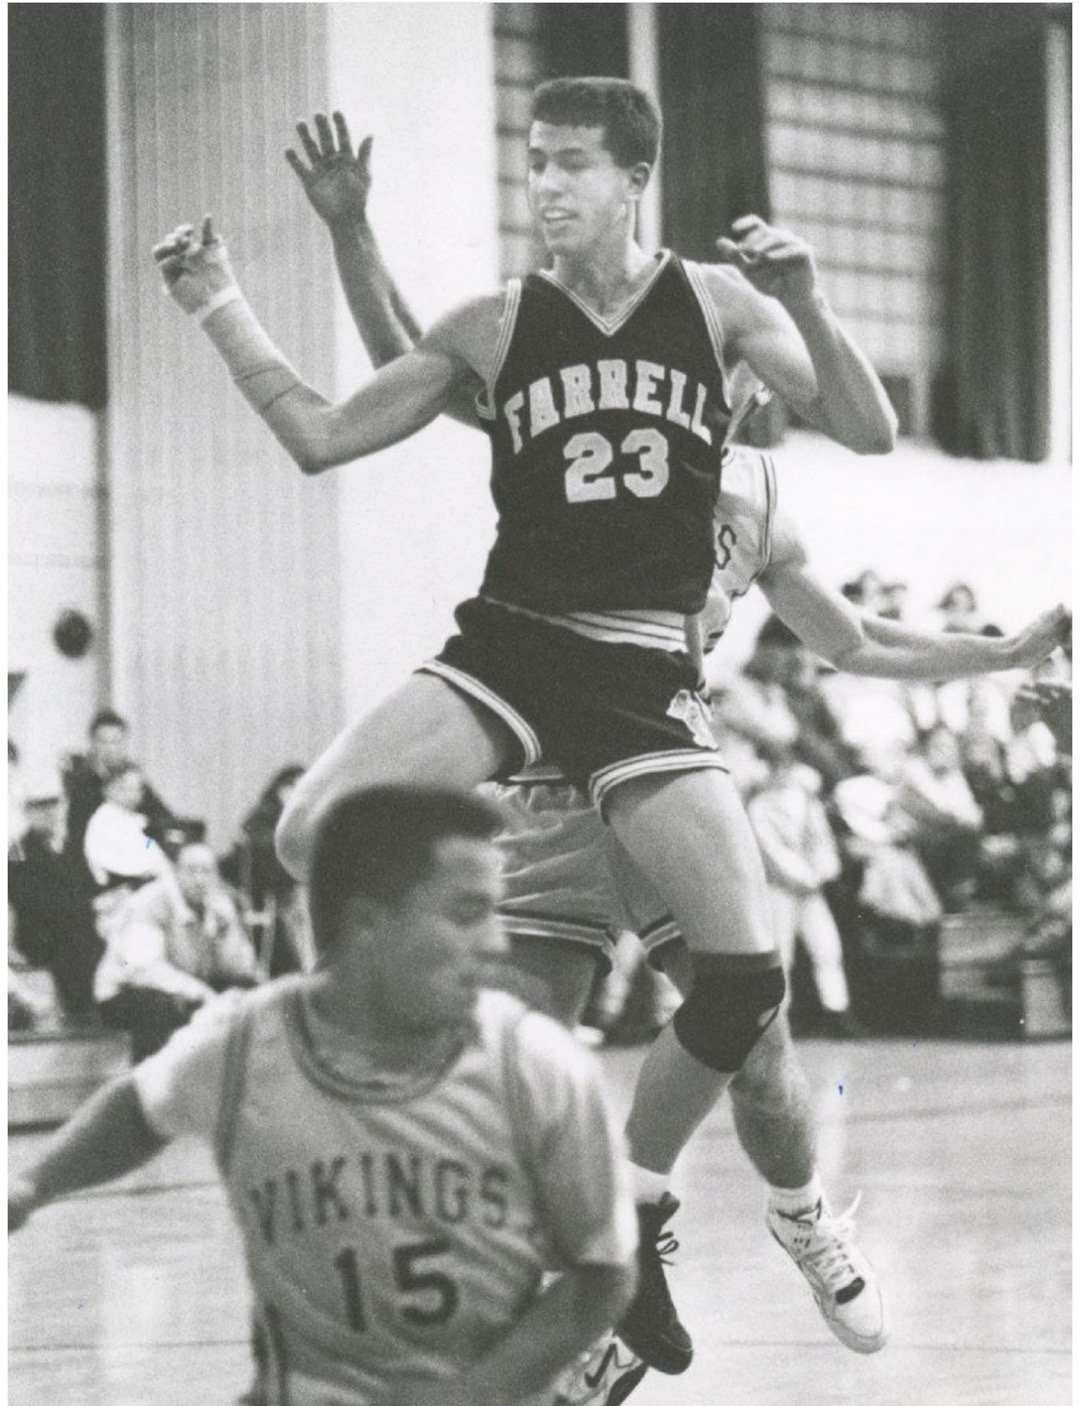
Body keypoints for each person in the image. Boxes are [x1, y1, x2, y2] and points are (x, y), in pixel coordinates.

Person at [266, 105, 1069, 1389]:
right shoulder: (550, 377)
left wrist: (994, 653)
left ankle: (796, 1213)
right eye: (536, 165)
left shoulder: (753, 488)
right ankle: (578, 1298)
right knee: (520, 1077)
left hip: (649, 743)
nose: (728, 389)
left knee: (760, 1045)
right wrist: (350, 238)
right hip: (543, 771)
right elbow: (414, 370)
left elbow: (853, 635)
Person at [156, 80, 899, 1376]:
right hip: (513, 645)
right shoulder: (496, 322)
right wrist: (221, 301)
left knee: (746, 984)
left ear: (634, 178)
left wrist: (813, 299)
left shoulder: (719, 305)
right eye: (535, 161)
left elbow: (871, 427)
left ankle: (640, 1204)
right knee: (306, 834)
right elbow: (324, 435)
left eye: (571, 164)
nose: (544, 184)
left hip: (638, 670)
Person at [10, 785, 639, 1406]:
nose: (497, 942)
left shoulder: (538, 1065)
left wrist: (473, 1394)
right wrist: (29, 1186)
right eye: (467, 914)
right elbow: (140, 1108)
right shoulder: (244, 1044)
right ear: (367, 923)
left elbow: (605, 1275)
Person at [95, 840, 260, 1060]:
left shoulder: (218, 904)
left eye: (207, 871)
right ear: (176, 873)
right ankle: (152, 1078)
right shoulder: (151, 902)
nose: (199, 880)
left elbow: (240, 969)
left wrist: (225, 933)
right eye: (191, 871)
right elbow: (143, 970)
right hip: (123, 993)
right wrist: (200, 993)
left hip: (186, 986)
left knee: (248, 991)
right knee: (159, 1004)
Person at [745, 746, 856, 1037]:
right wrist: (804, 876)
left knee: (827, 947)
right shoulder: (759, 807)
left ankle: (837, 1011)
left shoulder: (806, 800)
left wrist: (823, 871)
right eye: (775, 767)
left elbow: (821, 840)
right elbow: (770, 851)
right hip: (779, 888)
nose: (781, 773)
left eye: (785, 766)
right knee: (782, 954)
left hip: (811, 888)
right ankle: (779, 1019)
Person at [62, 708, 177, 862]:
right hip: (93, 858)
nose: (110, 748)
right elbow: (78, 835)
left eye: (116, 741)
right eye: (103, 741)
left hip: (133, 854)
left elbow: (163, 819)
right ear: (92, 743)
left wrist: (148, 842)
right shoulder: (81, 784)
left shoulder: (132, 777)